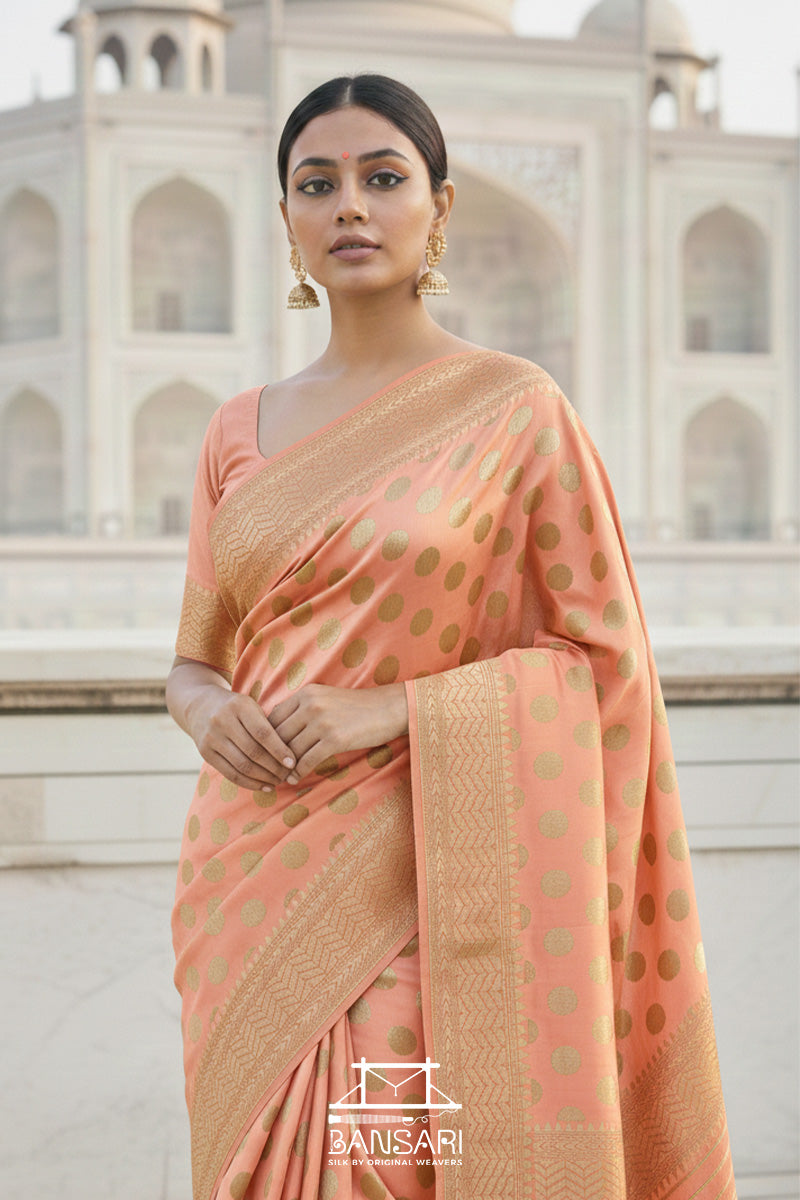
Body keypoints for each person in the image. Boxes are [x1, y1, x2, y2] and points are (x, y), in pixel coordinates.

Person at [167, 74, 736, 1200]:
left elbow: (602, 665)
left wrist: (391, 711)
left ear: (439, 206)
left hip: (424, 881)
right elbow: (194, 656)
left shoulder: (515, 410)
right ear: (284, 218)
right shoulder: (235, 429)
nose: (348, 205)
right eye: (316, 184)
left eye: (382, 178)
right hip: (248, 868)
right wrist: (208, 710)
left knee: (390, 1163)